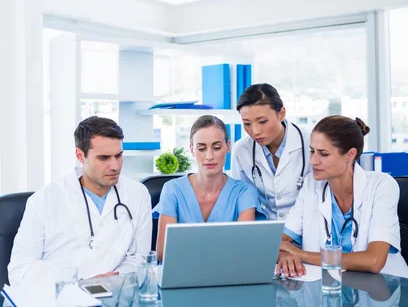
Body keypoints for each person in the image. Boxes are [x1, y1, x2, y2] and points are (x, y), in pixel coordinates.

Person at [8, 116, 152, 285]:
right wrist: (79, 281)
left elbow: (141, 259)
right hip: (60, 297)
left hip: (116, 295)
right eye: (103, 158)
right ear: (80, 155)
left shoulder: (138, 194)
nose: (115, 166)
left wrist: (112, 280)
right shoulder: (45, 200)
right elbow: (20, 270)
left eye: (118, 155)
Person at [276, 116, 408, 278]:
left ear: (350, 155)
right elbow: (279, 241)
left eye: (323, 154)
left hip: (382, 288)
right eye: (312, 151)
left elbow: (373, 261)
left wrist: (302, 254)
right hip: (328, 288)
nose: (313, 161)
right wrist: (285, 255)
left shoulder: (382, 186)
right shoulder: (311, 184)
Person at [153, 115, 260, 261]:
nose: (209, 156)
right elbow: (163, 253)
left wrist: (187, 249)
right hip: (179, 277)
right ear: (192, 150)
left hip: (226, 277)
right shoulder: (172, 190)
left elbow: (243, 250)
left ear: (228, 147)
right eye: (201, 148)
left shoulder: (244, 192)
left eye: (216, 148)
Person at [231, 83, 312, 220]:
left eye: (262, 121)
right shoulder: (241, 150)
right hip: (263, 232)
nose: (255, 131)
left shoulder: (310, 143)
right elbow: (242, 200)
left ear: (281, 114)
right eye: (247, 124)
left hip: (305, 231)